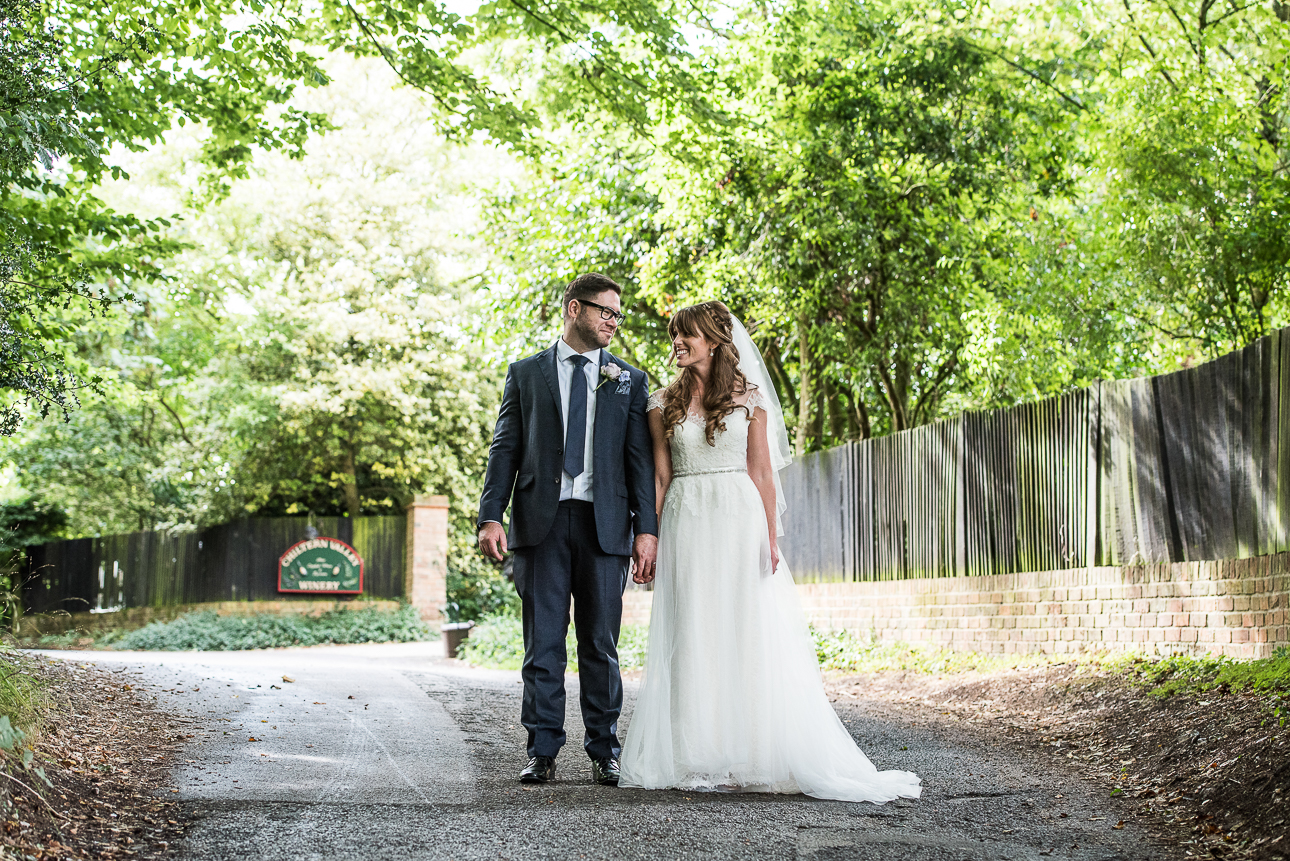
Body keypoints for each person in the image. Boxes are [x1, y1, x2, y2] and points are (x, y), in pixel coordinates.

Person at [618, 300, 921, 803]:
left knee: (742, 628)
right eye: (674, 334)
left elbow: (761, 471)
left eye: (686, 334)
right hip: (687, 519)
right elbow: (661, 476)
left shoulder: (749, 399)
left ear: (713, 341)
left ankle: (747, 752)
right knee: (691, 630)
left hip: (739, 519)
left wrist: (771, 538)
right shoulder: (660, 404)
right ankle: (695, 753)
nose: (676, 342)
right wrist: (646, 535)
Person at [477, 272, 658, 787]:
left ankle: (605, 749)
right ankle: (542, 749)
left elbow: (639, 463)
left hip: (605, 526)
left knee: (601, 644)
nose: (614, 322)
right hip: (541, 523)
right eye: (607, 311)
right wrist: (492, 514)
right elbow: (505, 447)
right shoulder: (526, 373)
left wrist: (646, 529)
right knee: (543, 645)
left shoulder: (628, 379)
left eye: (619, 315)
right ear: (575, 309)